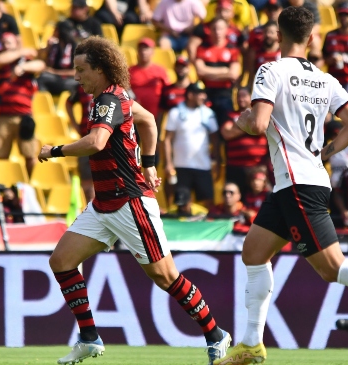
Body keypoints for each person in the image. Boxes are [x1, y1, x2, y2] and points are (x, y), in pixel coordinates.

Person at [213, 7, 348, 364]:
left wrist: (242, 119)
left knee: (331, 268)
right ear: (312, 37)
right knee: (254, 251)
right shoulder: (325, 78)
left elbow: (257, 124)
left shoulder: (270, 70)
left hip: (298, 185)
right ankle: (252, 344)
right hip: (301, 180)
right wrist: (325, 151)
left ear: (279, 34)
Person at [38, 36, 231, 365]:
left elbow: (98, 142)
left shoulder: (109, 101)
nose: (76, 76)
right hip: (103, 205)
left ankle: (216, 334)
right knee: (61, 261)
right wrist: (150, 163)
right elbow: (148, 120)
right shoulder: (112, 97)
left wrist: (55, 150)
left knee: (165, 276)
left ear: (100, 70)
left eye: (82, 69)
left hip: (130, 202)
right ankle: (88, 338)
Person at [0, 33, 44, 175]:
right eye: (3, 43)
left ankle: (30, 183)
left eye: (9, 42)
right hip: (3, 116)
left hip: (24, 116)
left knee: (30, 154)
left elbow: (41, 65)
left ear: (16, 43)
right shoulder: (0, 62)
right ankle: (5, 185)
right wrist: (21, 50)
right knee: (1, 155)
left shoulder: (25, 62)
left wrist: (23, 66)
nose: (5, 46)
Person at [163, 82, 220, 209]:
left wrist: (216, 160)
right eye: (200, 94)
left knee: (208, 204)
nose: (204, 96)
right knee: (181, 205)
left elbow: (215, 140)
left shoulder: (208, 113)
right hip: (181, 166)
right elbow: (167, 140)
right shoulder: (175, 112)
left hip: (203, 166)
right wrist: (168, 163)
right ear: (190, 95)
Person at [220, 87, 268, 195]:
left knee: (257, 197)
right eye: (238, 97)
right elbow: (227, 134)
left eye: (244, 96)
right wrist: (251, 126)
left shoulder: (260, 114)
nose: (241, 99)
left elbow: (265, 130)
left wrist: (239, 126)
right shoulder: (230, 115)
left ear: (251, 97)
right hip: (235, 167)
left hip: (257, 167)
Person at [195, 17, 241, 127]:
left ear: (226, 30)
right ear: (209, 30)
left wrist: (208, 73)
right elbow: (200, 71)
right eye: (214, 29)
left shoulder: (232, 49)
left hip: (225, 94)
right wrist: (224, 71)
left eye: (220, 29)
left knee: (225, 126)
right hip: (206, 93)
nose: (217, 32)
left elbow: (233, 74)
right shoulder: (202, 48)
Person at [128, 38, 170, 122]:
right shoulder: (130, 71)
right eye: (141, 49)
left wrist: (162, 108)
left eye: (146, 49)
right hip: (135, 114)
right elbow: (125, 89)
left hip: (156, 114)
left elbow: (167, 90)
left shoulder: (160, 70)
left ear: (153, 51)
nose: (143, 52)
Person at [37, 21, 80, 96]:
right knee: (42, 77)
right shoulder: (55, 46)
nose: (53, 31)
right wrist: (47, 49)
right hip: (55, 79)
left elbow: (76, 72)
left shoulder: (75, 47)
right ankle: (45, 102)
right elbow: (46, 65)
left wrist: (54, 72)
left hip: (70, 80)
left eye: (56, 29)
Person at [66, 86, 94, 202]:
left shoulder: (112, 87)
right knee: (87, 182)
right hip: (85, 140)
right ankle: (92, 210)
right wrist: (75, 125)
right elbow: (68, 103)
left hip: (107, 142)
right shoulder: (82, 87)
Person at [249, 21, 281, 86]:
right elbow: (251, 75)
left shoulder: (283, 53)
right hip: (262, 90)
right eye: (266, 32)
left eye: (271, 32)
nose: (268, 35)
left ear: (277, 35)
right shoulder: (256, 53)